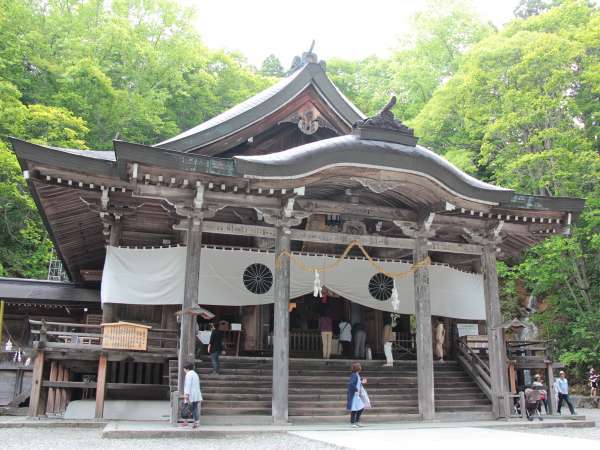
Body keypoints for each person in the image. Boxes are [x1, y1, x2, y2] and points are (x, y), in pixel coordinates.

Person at [346, 362, 368, 427]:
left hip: (356, 395)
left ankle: (355, 422)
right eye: (359, 366)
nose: (360, 367)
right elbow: (351, 384)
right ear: (358, 368)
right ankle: (354, 422)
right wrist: (356, 389)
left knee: (357, 408)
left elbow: (357, 382)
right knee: (357, 408)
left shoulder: (356, 375)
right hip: (354, 395)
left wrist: (362, 380)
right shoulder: (354, 375)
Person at [182, 363, 202, 428]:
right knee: (194, 408)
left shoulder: (189, 374)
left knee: (187, 407)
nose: (184, 370)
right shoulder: (195, 374)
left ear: (187, 369)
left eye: (184, 369)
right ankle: (196, 422)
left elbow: (188, 384)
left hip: (191, 393)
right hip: (196, 393)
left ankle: (186, 421)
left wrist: (187, 394)